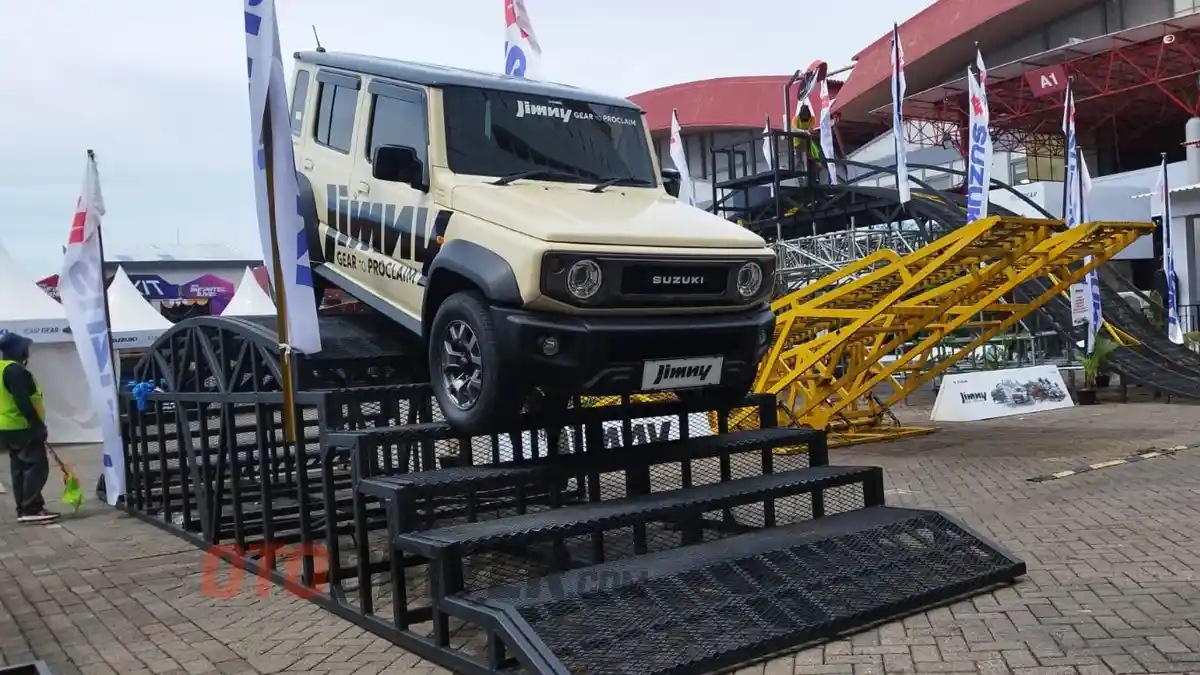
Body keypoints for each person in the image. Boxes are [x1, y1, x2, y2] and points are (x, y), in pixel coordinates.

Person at [0, 333, 58, 523]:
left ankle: (24, 508)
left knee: (19, 468)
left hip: (6, 427)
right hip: (22, 426)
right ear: (17, 350)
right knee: (36, 466)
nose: (28, 352)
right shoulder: (15, 371)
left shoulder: (2, 368)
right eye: (25, 348)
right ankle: (31, 508)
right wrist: (37, 425)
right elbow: (22, 400)